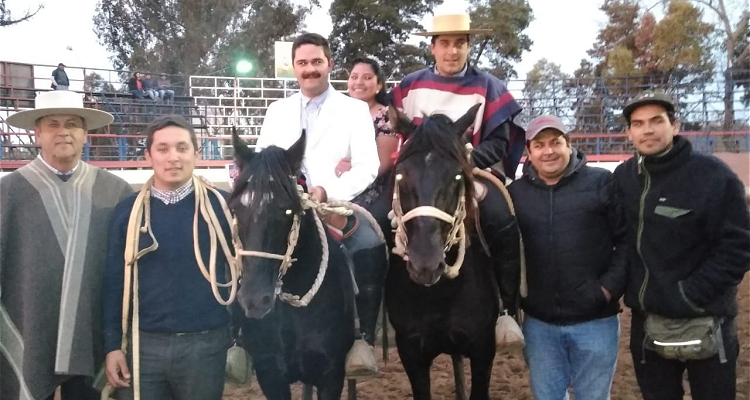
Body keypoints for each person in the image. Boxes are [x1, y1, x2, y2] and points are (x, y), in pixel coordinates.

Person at [256, 32, 384, 377]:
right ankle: (241, 338)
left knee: (370, 244)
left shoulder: (354, 110)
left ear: (329, 64)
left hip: (332, 204)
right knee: (248, 249)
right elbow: (263, 162)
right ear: (293, 68)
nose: (310, 69)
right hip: (286, 208)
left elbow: (368, 166)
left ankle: (362, 338)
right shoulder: (276, 110)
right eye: (303, 63)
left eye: (316, 62)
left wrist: (330, 190)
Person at [389, 12, 524, 341]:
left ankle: (507, 310)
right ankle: (385, 310)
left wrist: (462, 162)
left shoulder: (489, 86)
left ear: (468, 47)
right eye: (445, 44)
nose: (452, 51)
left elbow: (499, 141)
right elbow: (396, 133)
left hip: (471, 172)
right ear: (433, 47)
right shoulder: (409, 86)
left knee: (500, 221)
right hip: (420, 176)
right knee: (382, 221)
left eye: (460, 44)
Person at [614, 89, 750, 400]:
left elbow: (739, 247)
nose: (647, 130)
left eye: (656, 121)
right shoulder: (624, 177)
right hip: (648, 325)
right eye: (638, 123)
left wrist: (689, 295)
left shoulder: (714, 176)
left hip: (707, 320)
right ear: (629, 133)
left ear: (675, 126)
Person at [0, 90, 133, 400]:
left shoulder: (116, 192)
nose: (63, 132)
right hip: (30, 331)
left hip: (94, 334)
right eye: (53, 124)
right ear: (38, 133)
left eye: (72, 124)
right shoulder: (8, 193)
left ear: (85, 134)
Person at [102, 115, 235, 400]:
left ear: (196, 154)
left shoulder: (223, 207)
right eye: (162, 149)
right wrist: (112, 345)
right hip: (141, 346)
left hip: (205, 343)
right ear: (149, 155)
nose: (173, 157)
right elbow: (114, 283)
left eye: (182, 148)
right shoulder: (127, 212)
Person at [508, 115, 627, 400]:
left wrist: (607, 290)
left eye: (555, 143)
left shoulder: (602, 183)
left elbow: (625, 242)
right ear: (529, 152)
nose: (548, 151)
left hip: (595, 320)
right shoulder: (515, 195)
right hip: (539, 324)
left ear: (569, 145)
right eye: (539, 145)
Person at [344, 57, 400, 236]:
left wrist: (351, 168)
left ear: (379, 85)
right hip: (336, 182)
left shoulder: (385, 116)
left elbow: (382, 164)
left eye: (367, 78)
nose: (359, 82)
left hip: (372, 189)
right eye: (354, 77)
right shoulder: (336, 112)